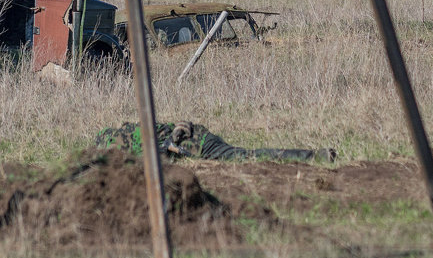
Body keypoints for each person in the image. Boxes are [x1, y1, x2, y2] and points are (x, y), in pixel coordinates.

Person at [95, 121, 336, 162]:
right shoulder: (133, 129)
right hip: (194, 138)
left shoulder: (133, 145)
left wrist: (173, 142)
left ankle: (314, 156)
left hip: (198, 144)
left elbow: (177, 132)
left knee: (245, 157)